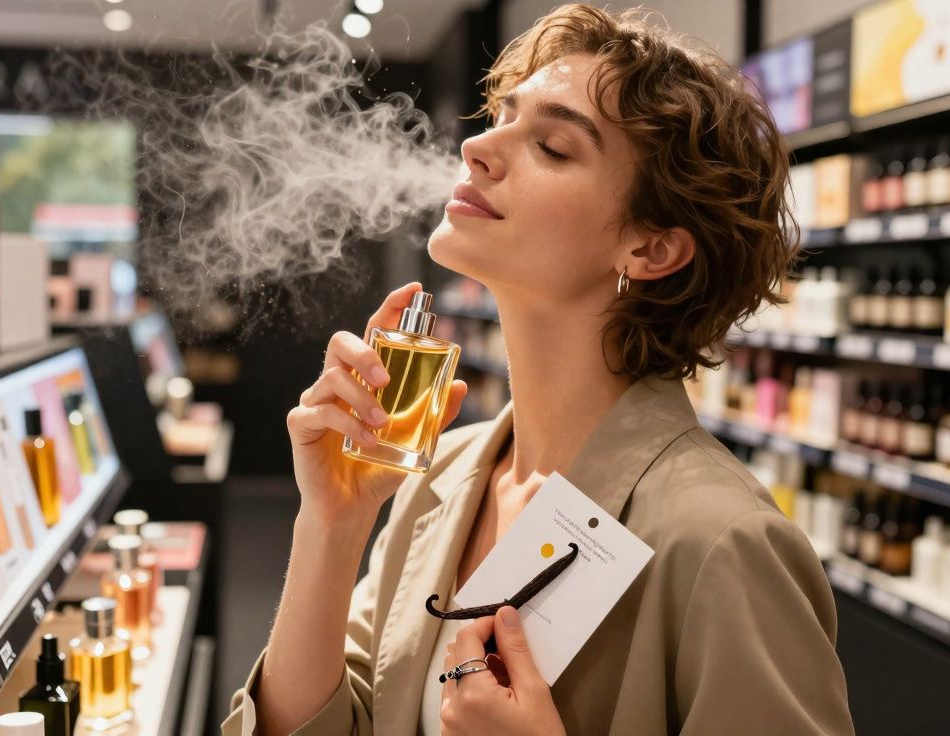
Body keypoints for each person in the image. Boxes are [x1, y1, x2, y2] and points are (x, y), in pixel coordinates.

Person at [223, 4, 855, 734]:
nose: (479, 150)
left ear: (651, 250)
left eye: (553, 147)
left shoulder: (723, 543)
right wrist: (331, 526)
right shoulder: (440, 474)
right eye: (501, 118)